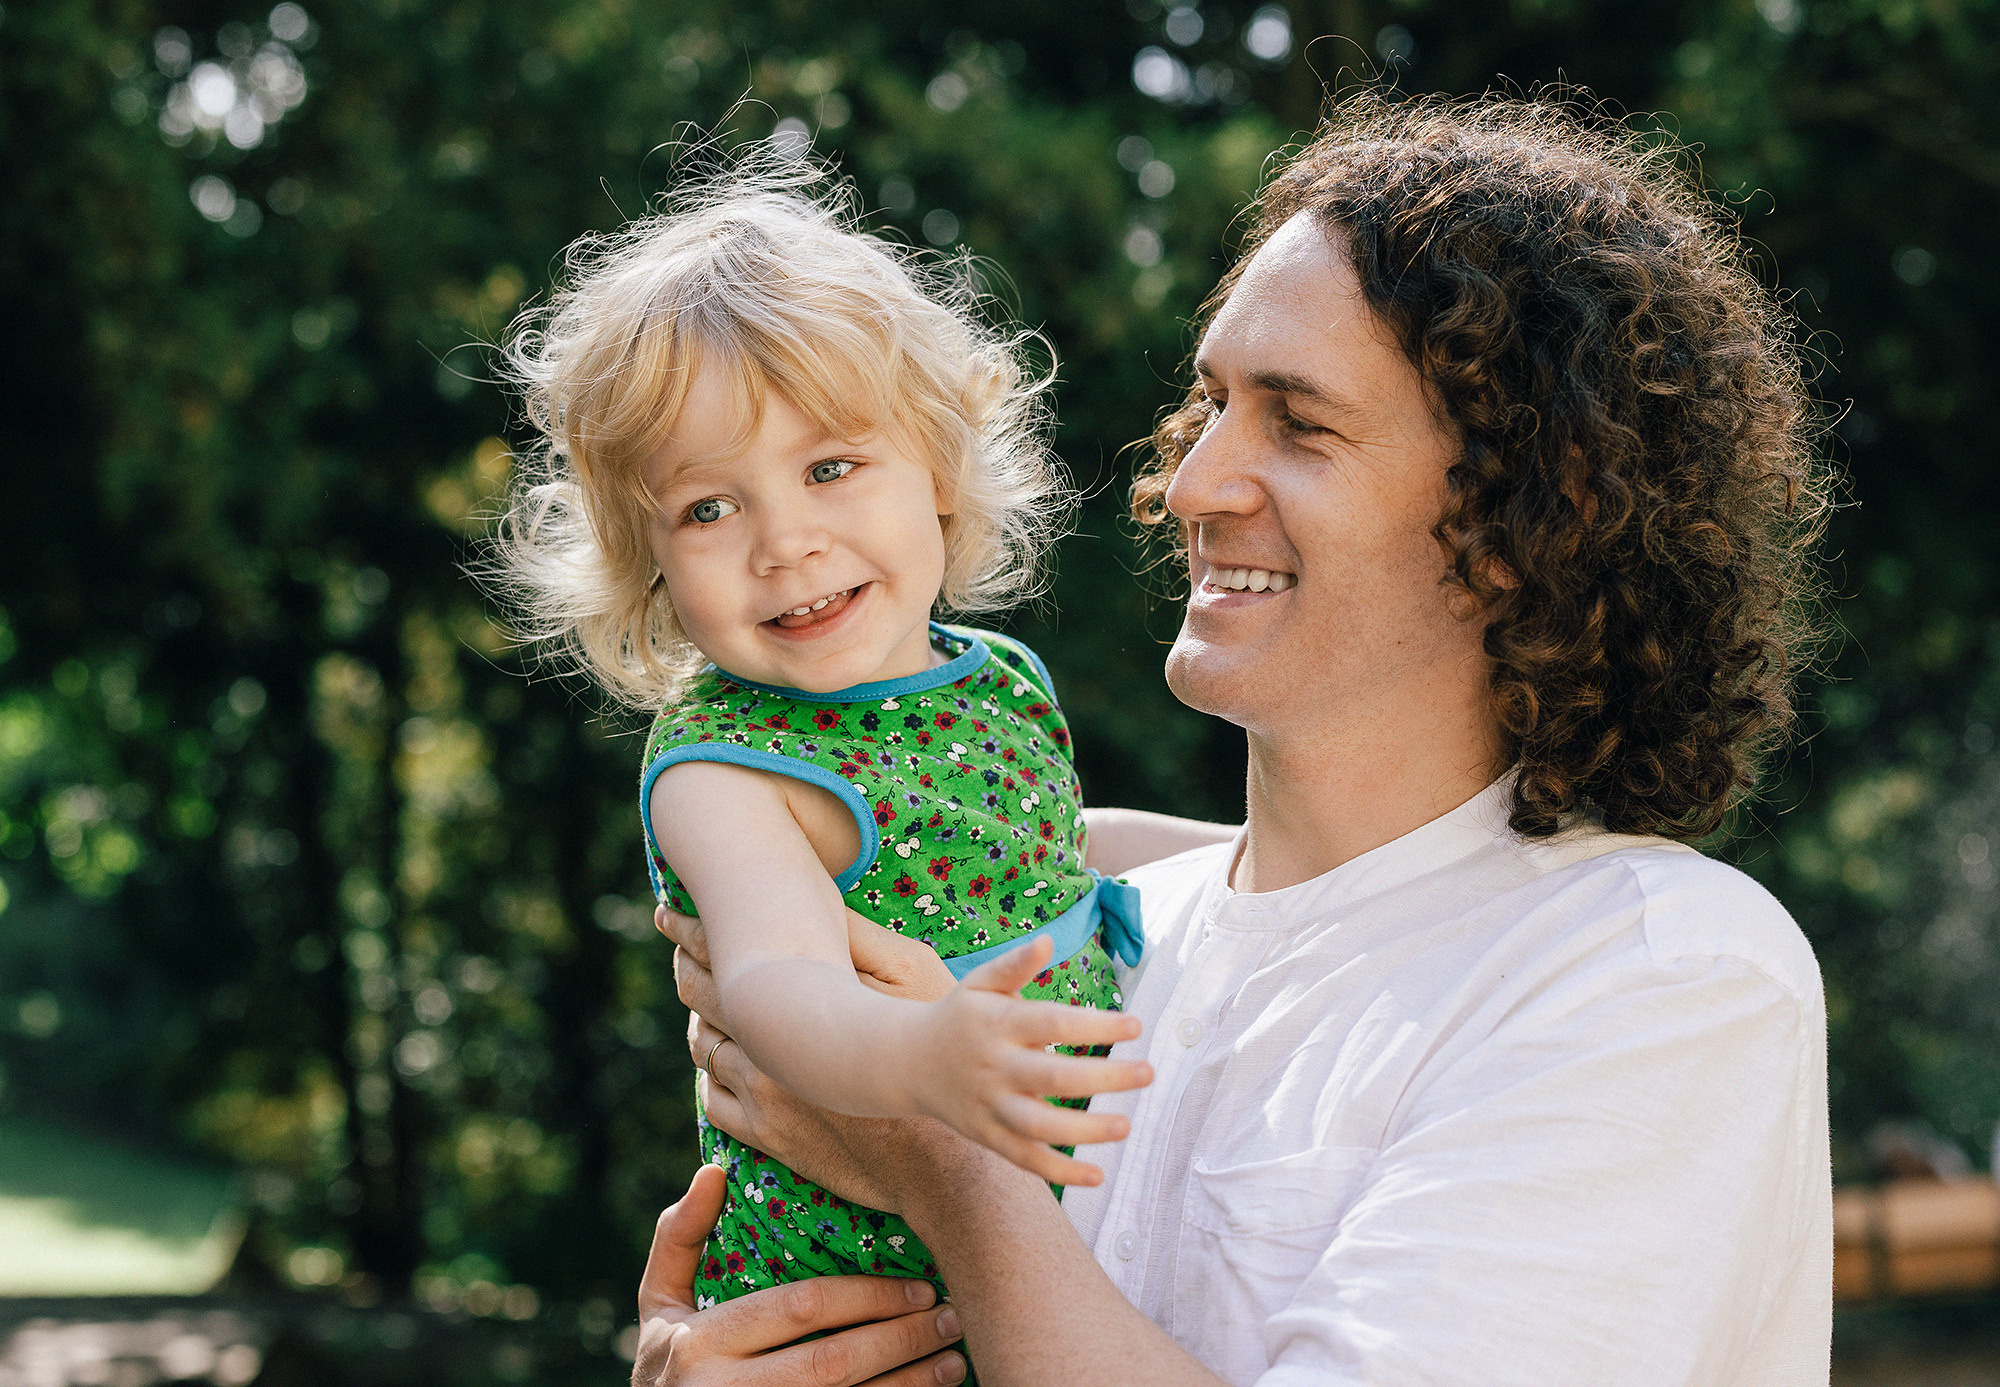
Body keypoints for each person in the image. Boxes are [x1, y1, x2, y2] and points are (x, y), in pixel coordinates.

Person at [635, 92, 1835, 1387]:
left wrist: (939, 1166)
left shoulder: (1656, 968)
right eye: (1210, 405)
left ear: (1530, 506)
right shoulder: (1083, 936)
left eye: (1298, 422)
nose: (1194, 480)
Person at [491, 170, 1153, 1316]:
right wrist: (920, 1057)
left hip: (1050, 1261)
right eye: (707, 508)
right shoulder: (725, 769)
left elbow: (1061, 846)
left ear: (938, 468)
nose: (784, 540)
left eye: (829, 467)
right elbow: (774, 982)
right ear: (643, 559)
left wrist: (1265, 852)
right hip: (848, 1295)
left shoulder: (995, 679)